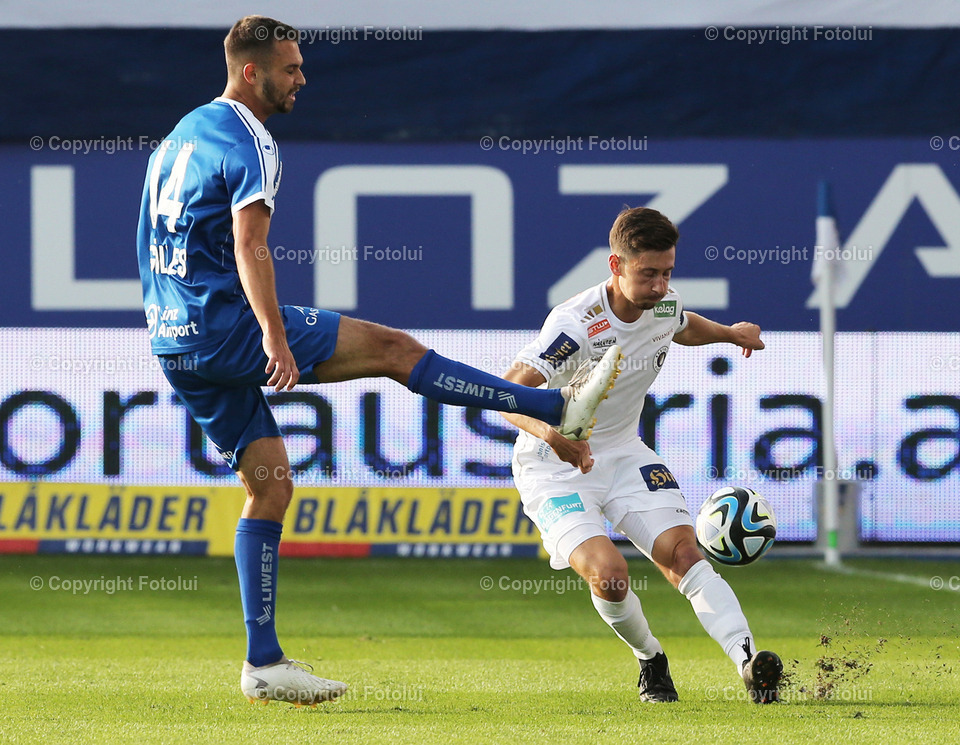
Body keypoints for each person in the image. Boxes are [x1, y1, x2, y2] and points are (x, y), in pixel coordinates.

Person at [136, 15, 621, 708]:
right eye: (291, 67)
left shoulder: (178, 135)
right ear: (252, 72)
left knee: (270, 485)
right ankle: (549, 405)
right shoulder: (252, 141)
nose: (303, 77)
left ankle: (264, 662)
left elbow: (153, 242)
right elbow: (250, 246)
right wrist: (272, 336)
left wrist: (177, 324)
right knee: (396, 350)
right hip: (226, 327)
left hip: (174, 340)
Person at [499, 206, 784, 704]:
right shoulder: (574, 326)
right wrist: (551, 434)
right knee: (610, 577)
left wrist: (732, 334)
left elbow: (681, 323)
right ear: (616, 266)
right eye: (647, 273)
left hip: (624, 452)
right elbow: (507, 393)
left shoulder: (662, 302)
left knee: (684, 554)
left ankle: (747, 662)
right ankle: (651, 660)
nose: (659, 285)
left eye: (667, 272)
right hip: (555, 466)